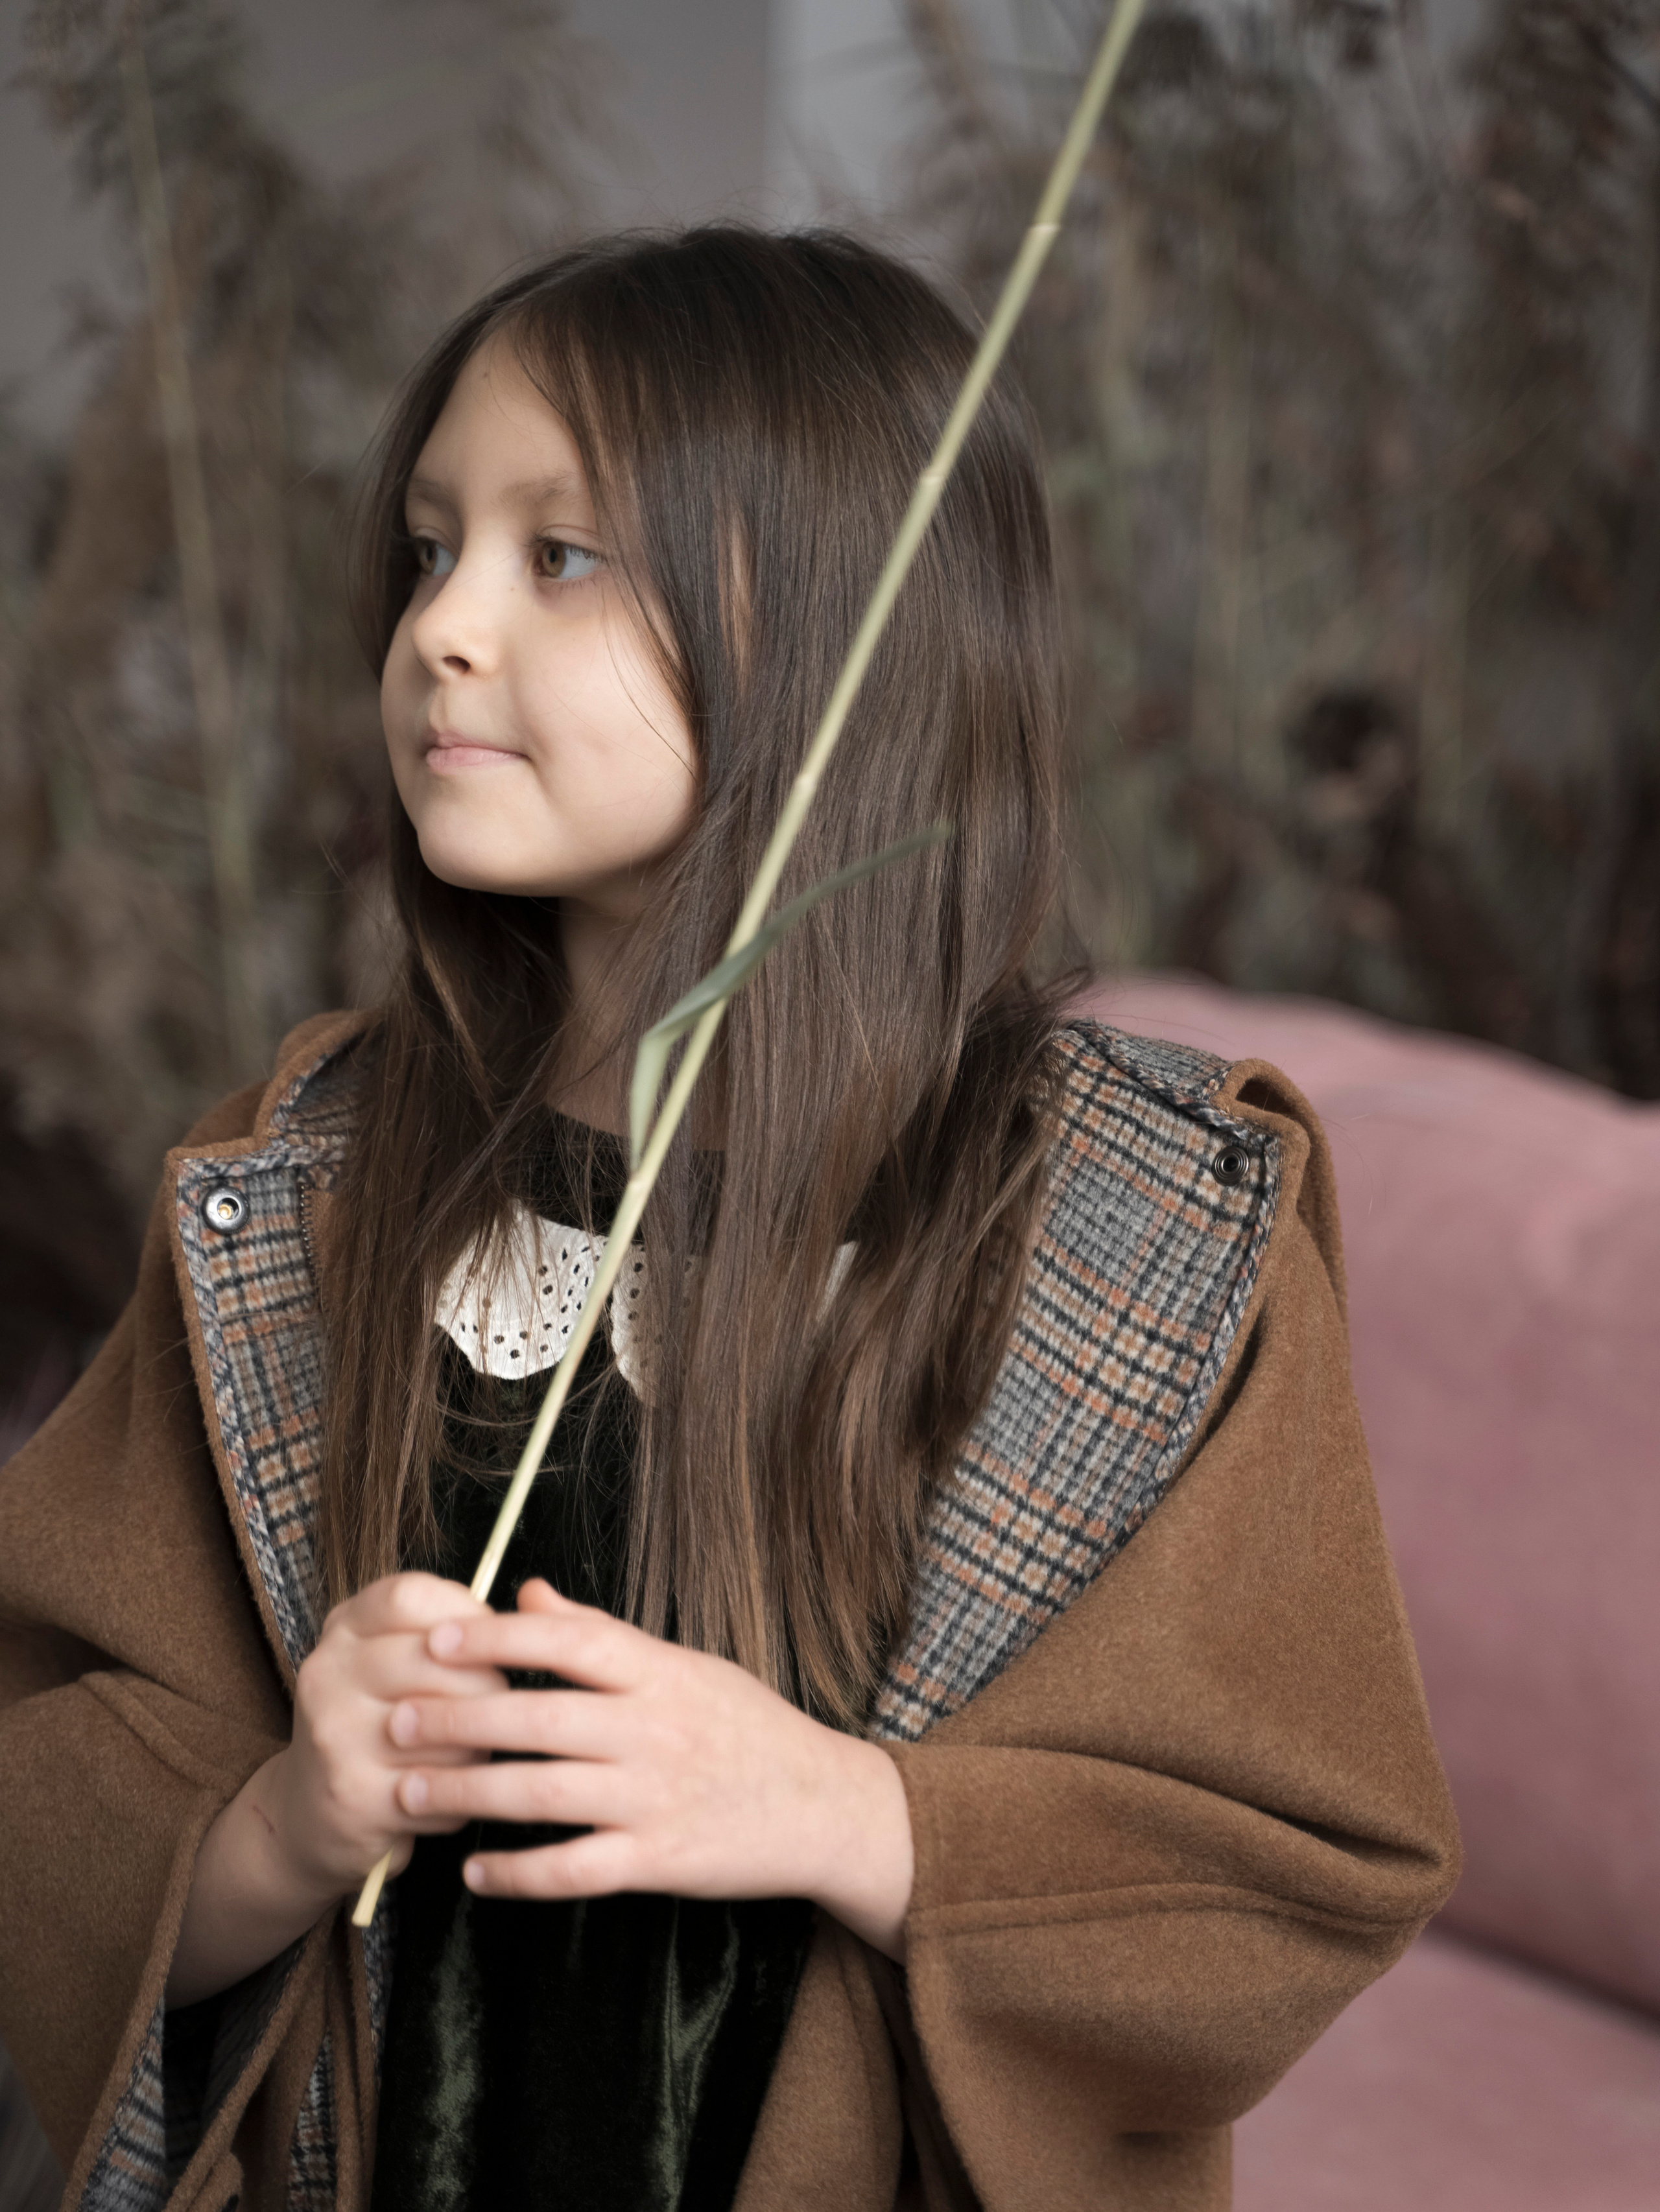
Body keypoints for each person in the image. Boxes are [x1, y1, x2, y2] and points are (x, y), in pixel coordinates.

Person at [0, 227, 1458, 2212]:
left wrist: (853, 1813)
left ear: (854, 629)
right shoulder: (307, 1182)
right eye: (432, 547)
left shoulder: (1136, 1235)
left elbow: (1287, 1868)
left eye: (562, 553)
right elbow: (51, 1795)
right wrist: (280, 1819)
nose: (443, 625)